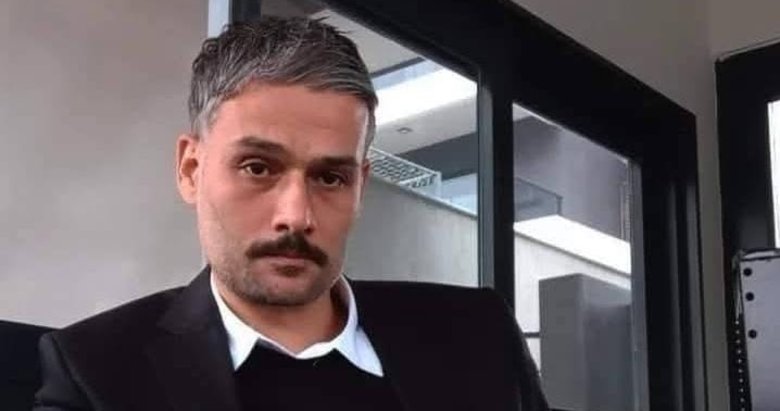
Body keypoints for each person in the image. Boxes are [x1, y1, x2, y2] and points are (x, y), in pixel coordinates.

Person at [33, 16, 548, 411]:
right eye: (258, 168)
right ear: (191, 170)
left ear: (360, 186)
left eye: (330, 177)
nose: (296, 216)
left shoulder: (480, 336)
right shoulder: (97, 373)